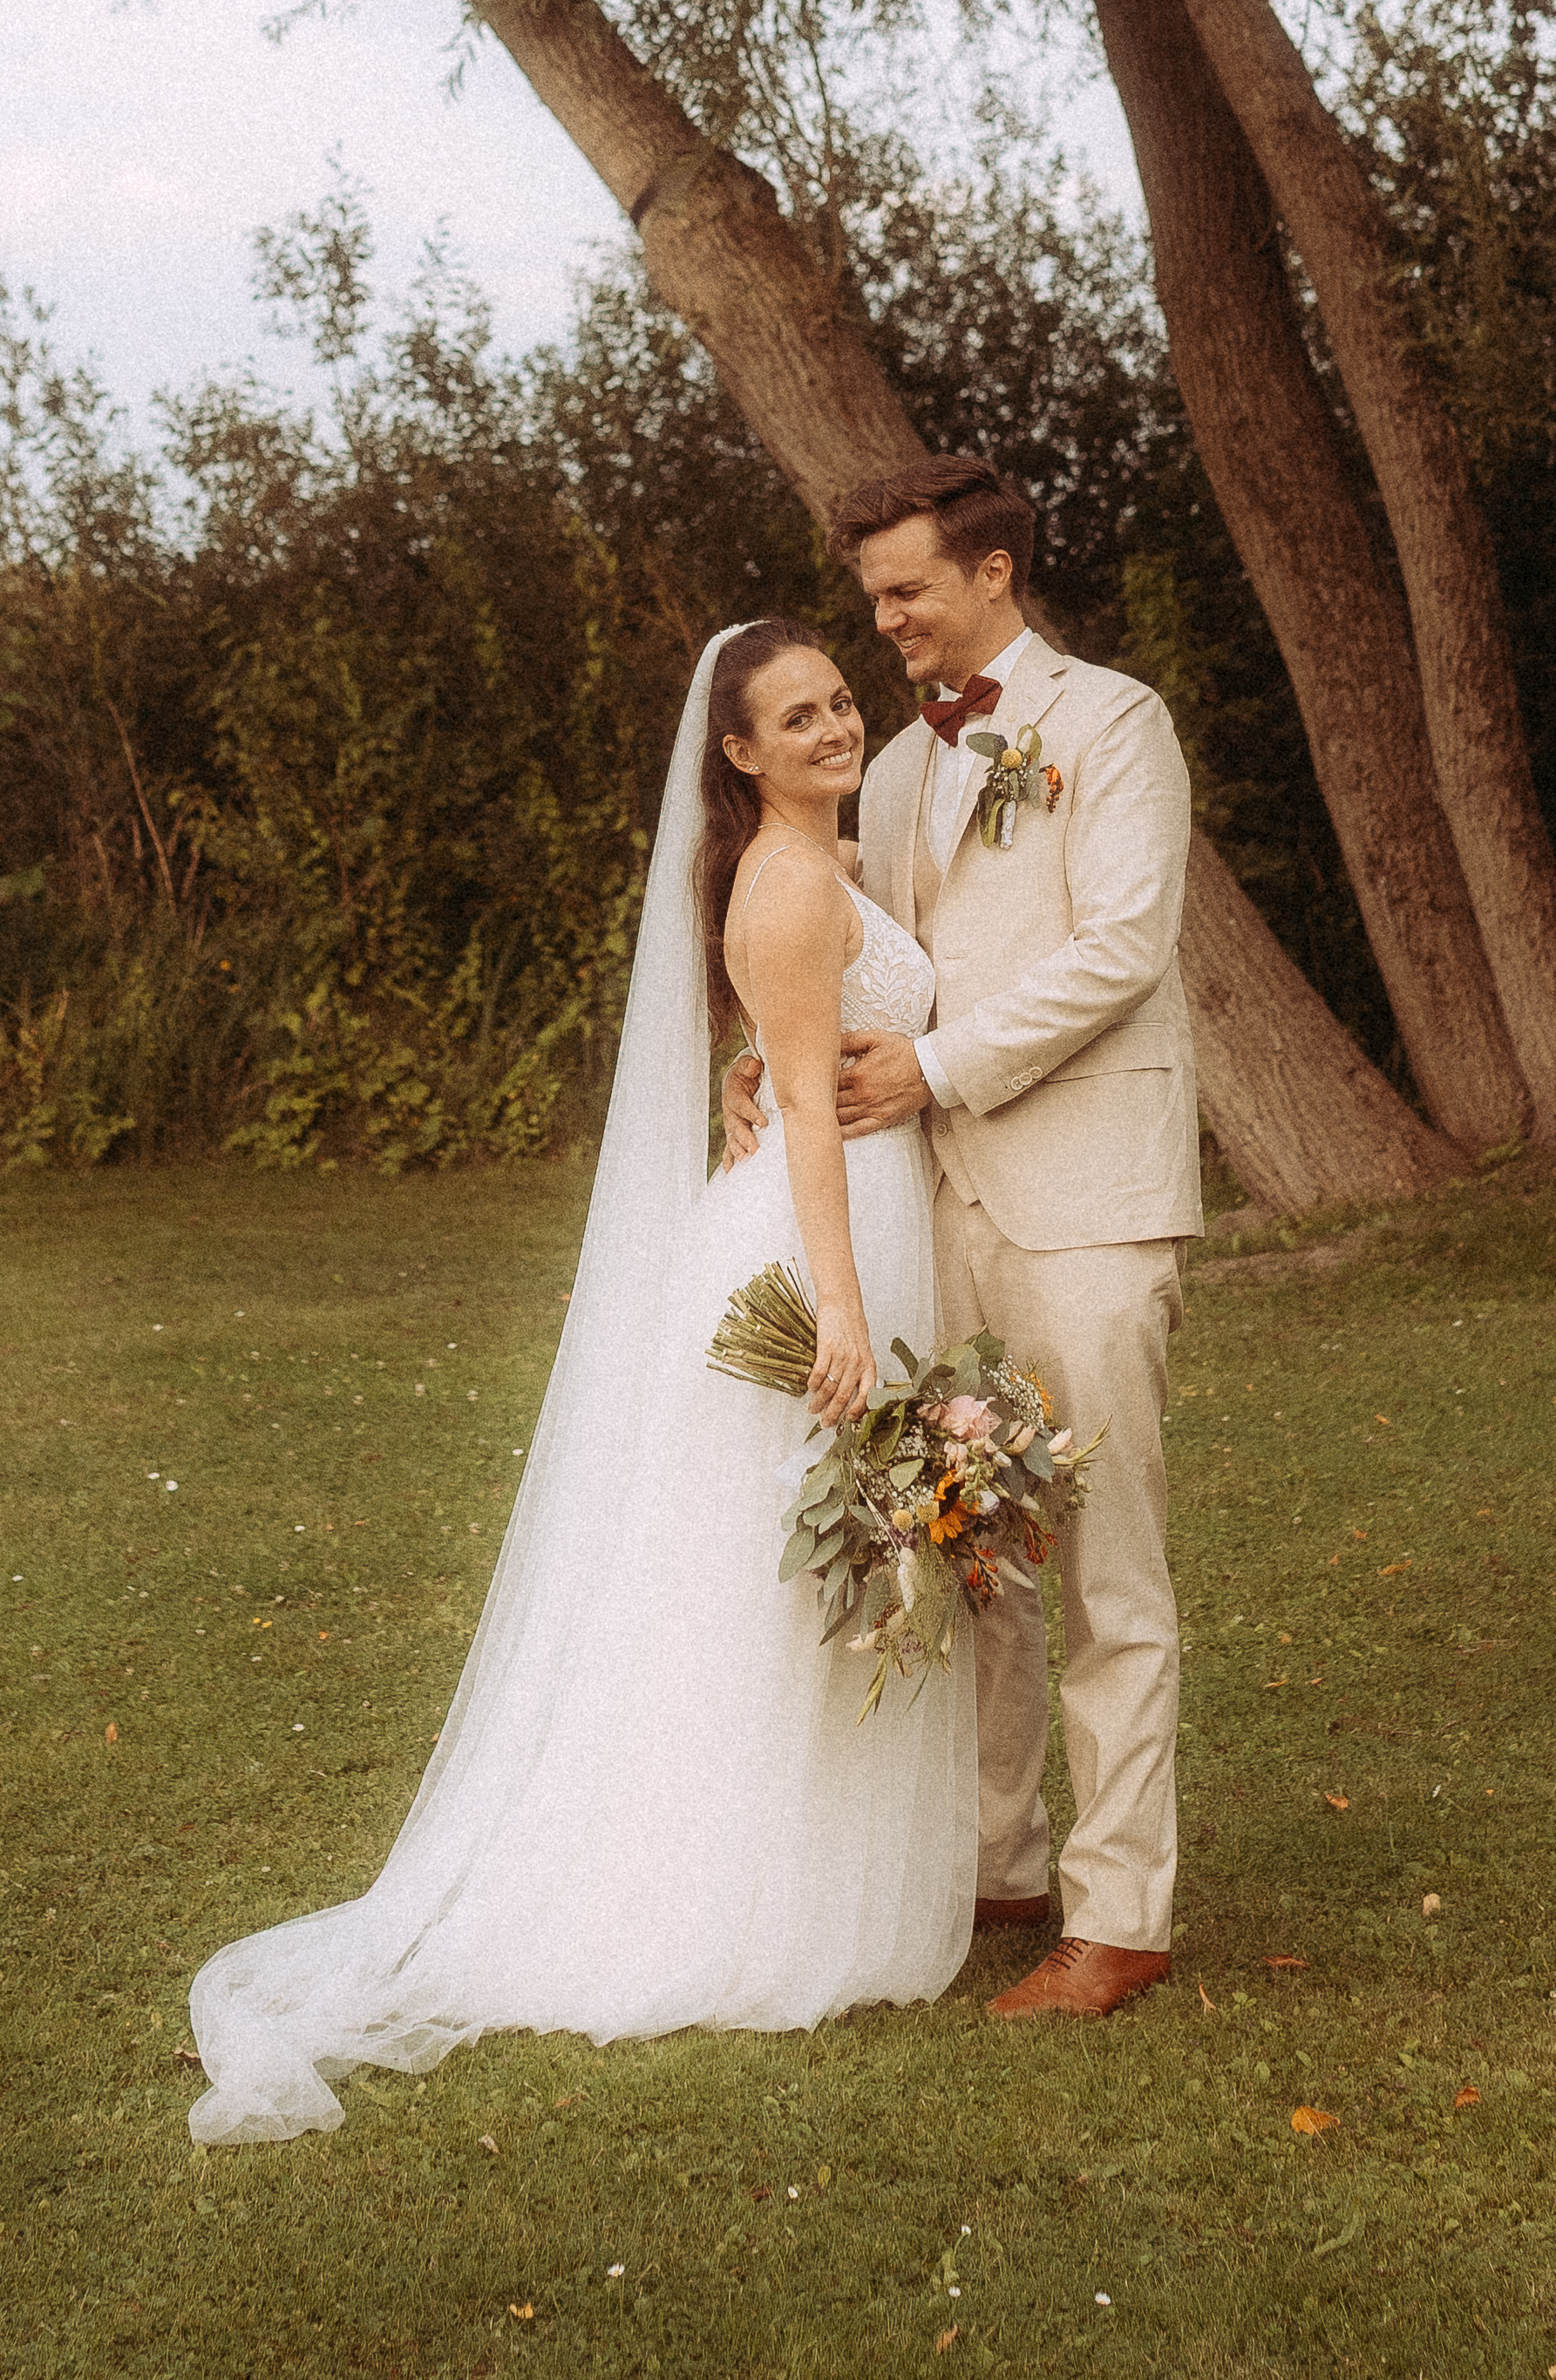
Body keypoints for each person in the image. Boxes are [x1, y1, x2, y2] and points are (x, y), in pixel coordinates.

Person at [184, 619, 974, 2146]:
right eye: (793, 718)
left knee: (761, 1566)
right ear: (735, 754)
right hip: (824, 1235)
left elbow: (783, 1055)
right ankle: (722, 1894)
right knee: (760, 1573)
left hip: (839, 1216)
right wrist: (847, 1308)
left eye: (835, 702)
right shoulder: (798, 882)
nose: (829, 728)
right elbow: (808, 1106)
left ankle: (785, 1860)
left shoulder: (824, 864)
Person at [737, 458, 1201, 2022]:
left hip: (1089, 1203)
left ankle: (1119, 1914)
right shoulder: (897, 769)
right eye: (873, 598)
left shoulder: (1114, 726)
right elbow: (881, 960)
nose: (884, 625)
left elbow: (1123, 949)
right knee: (975, 1551)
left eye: (905, 592)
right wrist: (780, 1060)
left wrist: (930, 1071)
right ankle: (1000, 1867)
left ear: (994, 571)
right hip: (943, 1209)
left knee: (1105, 1576)